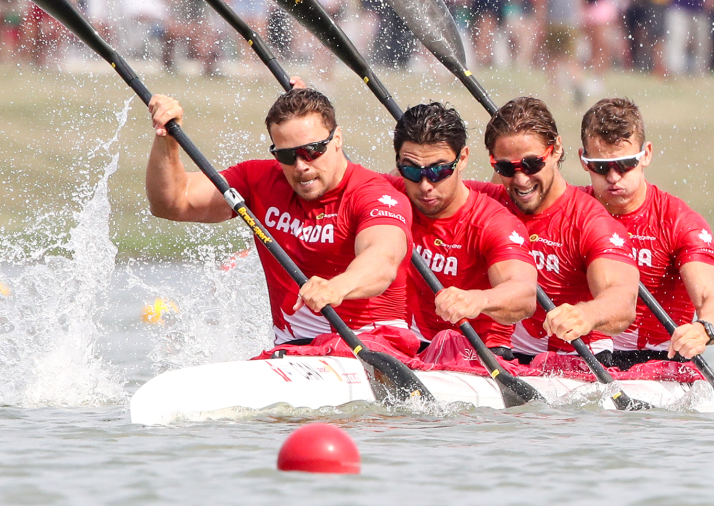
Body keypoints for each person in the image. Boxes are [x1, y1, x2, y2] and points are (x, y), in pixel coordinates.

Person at [145, 87, 414, 345]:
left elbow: (382, 260)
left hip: (374, 343)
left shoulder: (373, 194)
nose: (301, 166)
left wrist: (337, 287)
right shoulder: (259, 180)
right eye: (286, 155)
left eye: (312, 151)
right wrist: (166, 138)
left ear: (338, 139)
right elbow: (171, 203)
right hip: (294, 351)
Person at [465, 97, 639, 364]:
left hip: (576, 362)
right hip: (502, 360)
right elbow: (405, 188)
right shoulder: (483, 202)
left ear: (556, 149)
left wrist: (587, 315)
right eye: (506, 168)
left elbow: (623, 302)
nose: (521, 180)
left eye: (532, 164)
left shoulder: (589, 220)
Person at [577, 98, 714, 369]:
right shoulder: (570, 212)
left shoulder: (678, 222)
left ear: (646, 154)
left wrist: (703, 330)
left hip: (661, 363)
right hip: (585, 361)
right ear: (583, 161)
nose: (613, 177)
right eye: (601, 166)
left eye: (624, 164)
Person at [388, 102, 537, 357]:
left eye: (439, 170)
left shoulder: (492, 221)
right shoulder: (388, 195)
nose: (425, 185)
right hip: (408, 347)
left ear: (463, 158)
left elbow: (524, 296)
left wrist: (478, 300)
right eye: (412, 171)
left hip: (479, 353)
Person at [537, 0, 584, 104]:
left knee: (553, 59)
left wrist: (540, 24)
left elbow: (542, 2)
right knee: (571, 58)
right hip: (570, 20)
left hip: (553, 20)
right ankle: (577, 83)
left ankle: (555, 93)